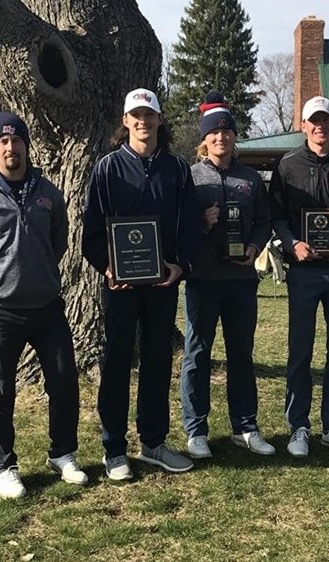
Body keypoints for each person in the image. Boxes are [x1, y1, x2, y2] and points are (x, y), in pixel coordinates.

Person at [0, 111, 85, 499]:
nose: (11, 148)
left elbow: (58, 242)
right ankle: (4, 466)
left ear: (26, 145)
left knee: (63, 380)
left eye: (16, 140)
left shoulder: (48, 193)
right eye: (3, 142)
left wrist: (37, 274)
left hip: (46, 306)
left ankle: (63, 453)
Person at [82, 88, 204, 480]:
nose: (142, 121)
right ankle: (114, 449)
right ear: (125, 121)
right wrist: (107, 267)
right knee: (117, 362)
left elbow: (190, 227)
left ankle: (153, 443)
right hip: (120, 287)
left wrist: (180, 266)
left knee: (157, 363)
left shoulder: (177, 169)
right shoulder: (107, 168)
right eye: (135, 115)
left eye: (149, 115)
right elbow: (92, 230)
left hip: (162, 284)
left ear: (159, 120)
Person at [269, 96, 329, 458]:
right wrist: (292, 243)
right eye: (313, 121)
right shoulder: (288, 165)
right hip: (304, 272)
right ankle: (299, 426)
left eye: (325, 120)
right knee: (300, 350)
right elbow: (276, 215)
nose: (320, 126)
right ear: (303, 125)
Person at [179, 93, 275, 459]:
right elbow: (179, 227)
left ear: (235, 137)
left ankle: (245, 427)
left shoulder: (250, 179)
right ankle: (196, 429)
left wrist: (254, 247)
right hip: (202, 280)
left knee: (241, 354)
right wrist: (201, 223)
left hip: (241, 281)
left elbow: (264, 221)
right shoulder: (191, 178)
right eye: (214, 133)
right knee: (197, 355)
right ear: (205, 139)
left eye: (228, 132)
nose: (221, 138)